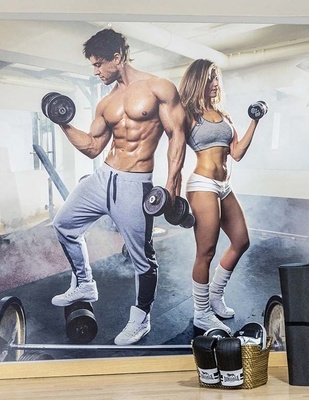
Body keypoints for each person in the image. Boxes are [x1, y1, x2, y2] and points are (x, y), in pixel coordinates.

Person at [50, 29, 186, 345]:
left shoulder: (158, 88)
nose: (96, 72)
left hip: (135, 184)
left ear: (117, 57)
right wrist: (63, 123)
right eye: (93, 66)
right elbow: (94, 146)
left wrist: (170, 186)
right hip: (102, 177)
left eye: (99, 65)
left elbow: (176, 135)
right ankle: (84, 283)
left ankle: (141, 319)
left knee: (142, 258)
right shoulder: (107, 101)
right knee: (64, 224)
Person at [178, 59, 260, 334]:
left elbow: (236, 152)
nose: (215, 83)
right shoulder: (187, 114)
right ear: (198, 81)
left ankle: (215, 294)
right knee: (207, 251)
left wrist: (254, 121)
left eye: (216, 79)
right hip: (202, 184)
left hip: (225, 185)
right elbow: (174, 147)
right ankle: (201, 313)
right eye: (210, 78)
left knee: (241, 241)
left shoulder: (223, 114)